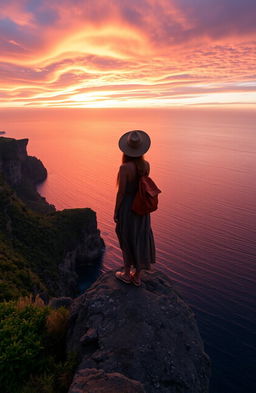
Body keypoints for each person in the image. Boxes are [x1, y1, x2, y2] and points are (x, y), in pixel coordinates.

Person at [114, 130, 156, 286]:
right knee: (140, 236)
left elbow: (122, 192)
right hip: (142, 208)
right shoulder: (146, 165)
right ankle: (137, 276)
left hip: (128, 208)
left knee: (126, 236)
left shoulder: (124, 168)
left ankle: (126, 273)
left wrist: (116, 211)